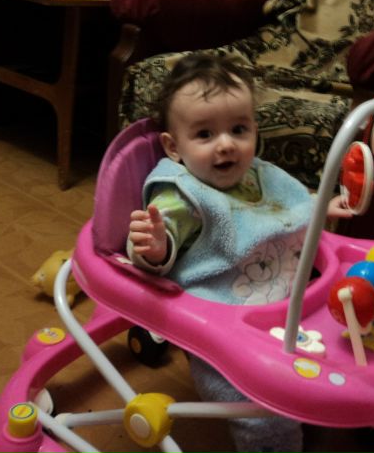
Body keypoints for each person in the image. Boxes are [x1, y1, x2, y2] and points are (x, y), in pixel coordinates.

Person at [127, 52, 352, 453]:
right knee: (259, 409)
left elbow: (286, 205)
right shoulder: (183, 194)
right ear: (173, 147)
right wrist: (155, 246)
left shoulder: (258, 174)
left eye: (238, 129)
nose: (227, 144)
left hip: (288, 305)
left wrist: (320, 206)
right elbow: (159, 243)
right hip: (222, 327)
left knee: (339, 354)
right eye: (205, 134)